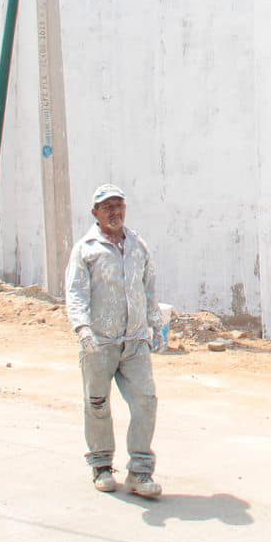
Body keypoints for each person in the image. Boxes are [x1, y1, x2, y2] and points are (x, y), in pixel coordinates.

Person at [65, 183, 164, 497]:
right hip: (99, 342)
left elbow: (148, 287)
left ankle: (140, 472)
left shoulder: (138, 246)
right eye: (107, 206)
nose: (115, 211)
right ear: (95, 212)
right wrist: (82, 329)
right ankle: (102, 465)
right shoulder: (86, 249)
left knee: (146, 402)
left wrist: (155, 324)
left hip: (134, 342)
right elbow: (76, 293)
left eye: (119, 205)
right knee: (97, 404)